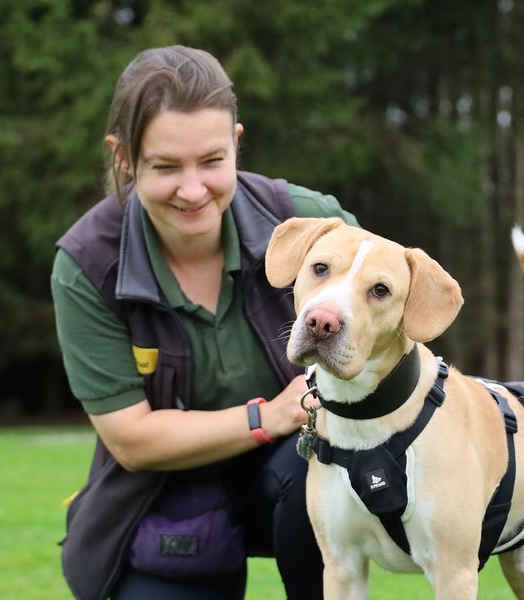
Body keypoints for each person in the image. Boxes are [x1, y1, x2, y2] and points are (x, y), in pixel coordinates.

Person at [51, 45, 358, 600]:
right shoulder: (86, 264)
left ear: (236, 144)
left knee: (310, 452)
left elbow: (395, 317)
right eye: (166, 167)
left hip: (293, 475)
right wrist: (270, 414)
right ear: (123, 157)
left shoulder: (308, 221)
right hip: (160, 495)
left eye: (213, 162)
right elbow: (134, 441)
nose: (193, 191)